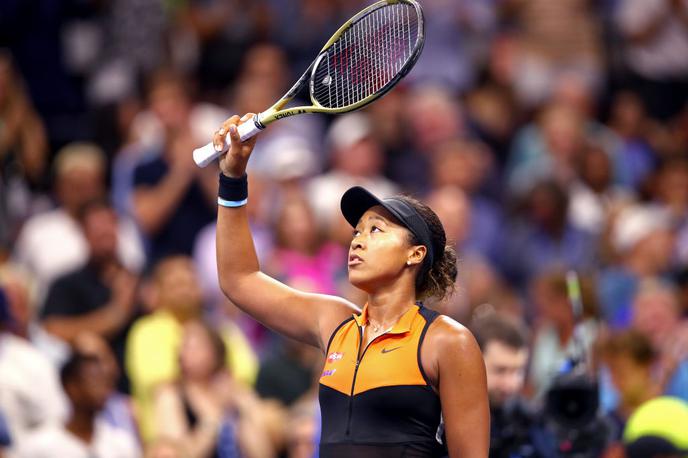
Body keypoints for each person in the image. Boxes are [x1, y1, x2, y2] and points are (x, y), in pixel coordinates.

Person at [210, 114, 489, 457]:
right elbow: (238, 279)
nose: (357, 241)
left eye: (375, 230)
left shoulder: (448, 341)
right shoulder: (335, 322)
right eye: (356, 231)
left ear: (415, 254)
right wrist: (232, 179)